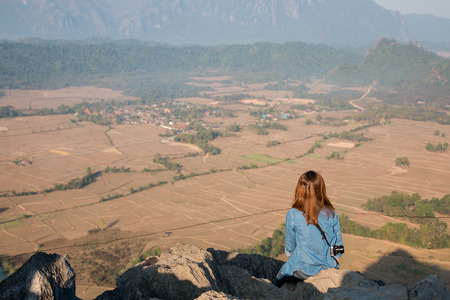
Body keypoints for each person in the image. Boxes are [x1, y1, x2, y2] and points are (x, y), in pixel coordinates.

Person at [274, 170, 344, 288]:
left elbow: (290, 246)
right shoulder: (331, 213)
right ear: (321, 189)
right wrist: (336, 259)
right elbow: (337, 243)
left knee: (276, 285)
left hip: (302, 269)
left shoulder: (293, 214)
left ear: (299, 190)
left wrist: (294, 256)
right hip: (327, 266)